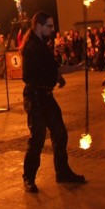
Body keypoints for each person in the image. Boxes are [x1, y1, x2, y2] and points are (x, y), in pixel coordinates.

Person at [21, 12, 85, 193]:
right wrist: (78, 67)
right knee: (38, 139)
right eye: (49, 26)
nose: (52, 29)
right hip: (35, 97)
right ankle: (29, 178)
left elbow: (50, 69)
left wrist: (57, 78)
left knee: (60, 133)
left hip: (46, 96)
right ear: (38, 26)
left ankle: (62, 172)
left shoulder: (42, 44)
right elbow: (54, 68)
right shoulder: (33, 47)